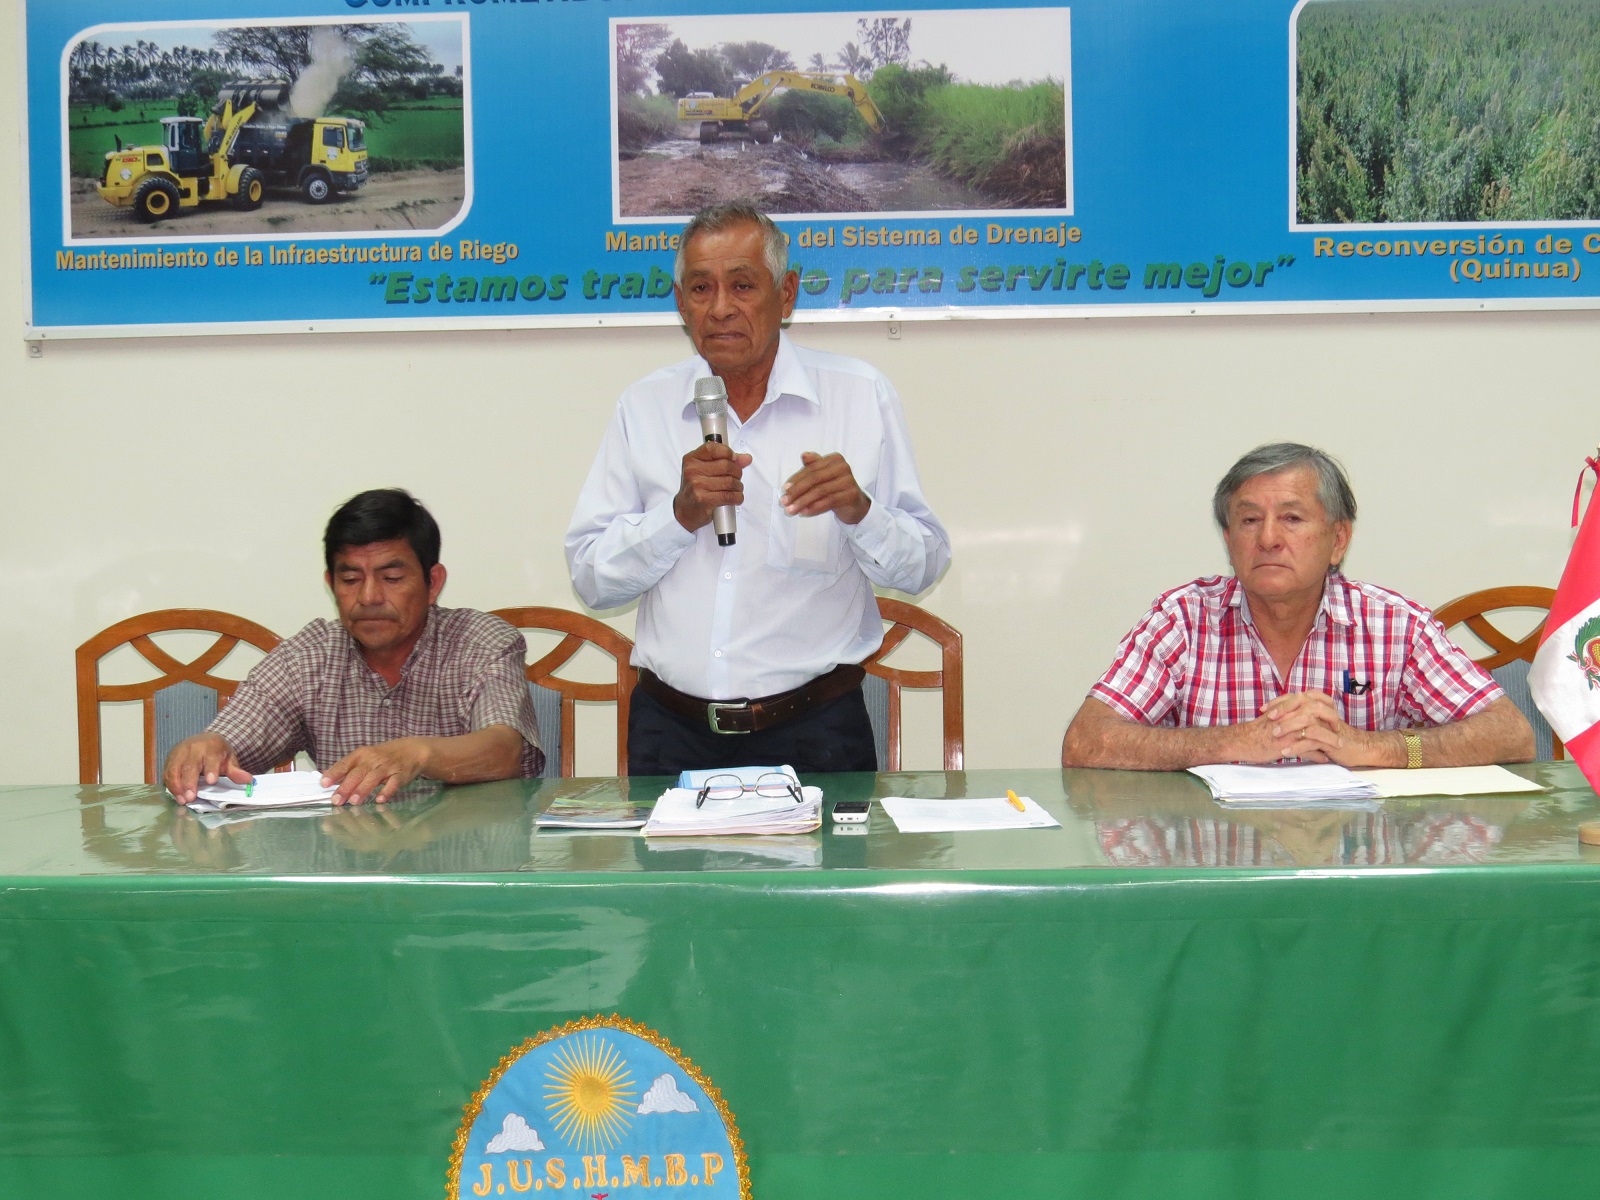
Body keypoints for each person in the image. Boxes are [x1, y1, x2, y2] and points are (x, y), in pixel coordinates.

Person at [566, 202, 949, 775]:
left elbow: (924, 565)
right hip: (669, 733)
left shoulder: (858, 396)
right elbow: (591, 579)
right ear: (681, 304)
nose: (721, 307)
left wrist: (859, 510)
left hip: (815, 732)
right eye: (701, 288)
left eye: (742, 285)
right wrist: (678, 516)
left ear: (786, 294)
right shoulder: (643, 406)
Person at [1061, 443, 1534, 770]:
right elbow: (1085, 742)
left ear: (1338, 539)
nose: (1268, 538)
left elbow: (1511, 735)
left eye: (1291, 518)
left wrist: (1369, 747)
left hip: (1359, 863)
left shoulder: (1395, 624)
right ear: (1228, 538)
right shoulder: (1183, 619)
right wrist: (1233, 741)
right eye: (1249, 520)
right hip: (1217, 863)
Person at [163, 489, 543, 805]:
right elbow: (233, 738)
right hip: (347, 861)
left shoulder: (481, 643)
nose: (369, 597)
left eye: (392, 577)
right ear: (331, 584)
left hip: (465, 860)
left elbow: (505, 750)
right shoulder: (309, 656)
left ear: (433, 583)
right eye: (350, 579)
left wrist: (419, 754)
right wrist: (205, 748)